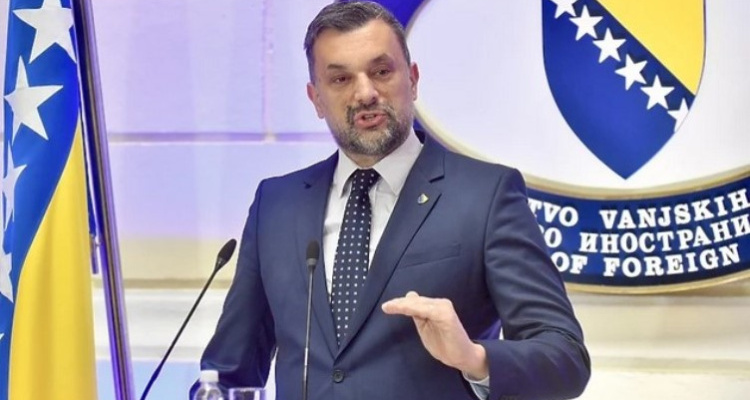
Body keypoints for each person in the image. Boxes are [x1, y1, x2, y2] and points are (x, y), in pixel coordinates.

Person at [194, 1, 590, 399]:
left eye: (381, 72)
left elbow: (566, 357)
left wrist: (474, 358)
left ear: (413, 80)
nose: (365, 93)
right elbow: (227, 373)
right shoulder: (277, 206)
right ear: (316, 99)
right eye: (340, 79)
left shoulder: (486, 195)